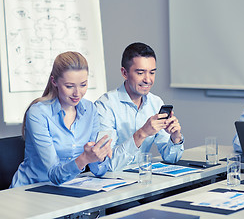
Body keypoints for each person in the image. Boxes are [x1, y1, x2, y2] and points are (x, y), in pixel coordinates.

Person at [11, 52, 112, 188]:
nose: (77, 93)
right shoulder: (38, 113)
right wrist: (84, 159)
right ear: (54, 81)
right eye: (69, 86)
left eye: (83, 85)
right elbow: (54, 175)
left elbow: (98, 171)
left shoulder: (90, 110)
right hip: (32, 189)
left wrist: (100, 156)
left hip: (68, 188)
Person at [95, 42, 184, 171]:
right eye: (140, 73)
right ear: (124, 73)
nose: (148, 80)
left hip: (143, 179)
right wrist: (141, 134)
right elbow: (107, 165)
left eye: (152, 73)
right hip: (114, 183)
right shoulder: (105, 106)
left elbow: (171, 158)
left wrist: (175, 138)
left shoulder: (156, 102)